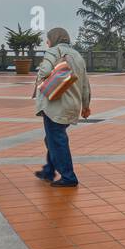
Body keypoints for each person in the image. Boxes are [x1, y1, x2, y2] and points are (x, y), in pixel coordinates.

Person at [34, 27, 91, 188]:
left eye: (48, 38)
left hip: (55, 104)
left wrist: (42, 73)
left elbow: (44, 71)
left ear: (54, 39)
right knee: (52, 138)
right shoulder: (78, 55)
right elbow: (85, 84)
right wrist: (86, 105)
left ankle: (68, 176)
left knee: (57, 139)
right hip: (72, 105)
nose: (47, 41)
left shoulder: (54, 51)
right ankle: (49, 170)